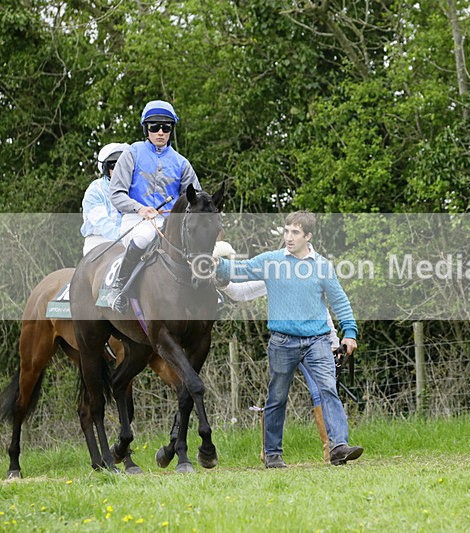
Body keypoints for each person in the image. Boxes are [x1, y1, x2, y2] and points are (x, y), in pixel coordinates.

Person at [216, 211, 363, 468]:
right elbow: (240, 269)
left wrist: (349, 333)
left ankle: (339, 447)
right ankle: (273, 454)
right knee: (277, 397)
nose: (289, 237)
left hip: (317, 341)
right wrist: (216, 264)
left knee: (328, 390)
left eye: (295, 232)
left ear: (308, 236)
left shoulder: (322, 266)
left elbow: (340, 302)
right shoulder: (272, 262)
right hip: (282, 342)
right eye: (286, 231)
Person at [107, 100, 202, 311]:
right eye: (154, 127)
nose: (160, 132)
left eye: (166, 127)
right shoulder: (132, 154)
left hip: (168, 224)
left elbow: (194, 198)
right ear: (146, 129)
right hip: (137, 219)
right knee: (144, 238)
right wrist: (140, 208)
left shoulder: (181, 163)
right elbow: (116, 193)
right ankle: (118, 287)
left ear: (171, 130)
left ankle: (206, 290)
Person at [81, 142, 130, 256]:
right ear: (105, 168)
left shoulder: (136, 189)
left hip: (129, 242)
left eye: (124, 164)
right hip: (99, 242)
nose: (120, 169)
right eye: (114, 165)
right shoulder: (95, 190)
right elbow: (103, 224)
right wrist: (126, 237)